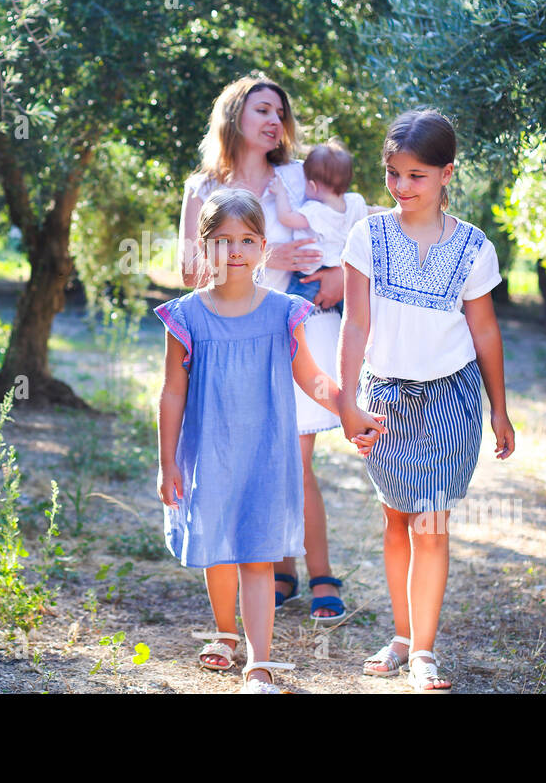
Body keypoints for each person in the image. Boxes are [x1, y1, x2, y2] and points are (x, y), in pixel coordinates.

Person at [157, 189, 383, 693]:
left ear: (262, 247)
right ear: (203, 246)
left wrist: (350, 409)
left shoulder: (284, 312)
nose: (233, 251)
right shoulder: (186, 317)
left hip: (266, 455)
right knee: (217, 551)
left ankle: (259, 664)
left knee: (257, 555)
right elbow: (172, 393)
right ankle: (223, 633)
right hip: (208, 455)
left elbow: (313, 379)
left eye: (245, 240)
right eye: (220, 241)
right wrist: (166, 462)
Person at [337, 109, 515, 693]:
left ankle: (423, 651)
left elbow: (485, 331)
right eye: (392, 174)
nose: (401, 187)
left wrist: (500, 408)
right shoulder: (367, 236)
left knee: (431, 526)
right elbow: (354, 324)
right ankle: (400, 633)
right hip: (384, 397)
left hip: (451, 400)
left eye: (416, 175)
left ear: (446, 174)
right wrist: (346, 403)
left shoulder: (473, 247)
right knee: (396, 520)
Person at [177, 74, 354, 623]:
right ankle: (277, 570)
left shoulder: (301, 178)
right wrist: (264, 257)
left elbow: (351, 241)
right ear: (234, 117)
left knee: (294, 464)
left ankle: (320, 570)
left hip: (297, 335)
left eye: (280, 111)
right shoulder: (202, 189)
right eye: (261, 109)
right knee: (251, 463)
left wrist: (337, 284)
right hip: (231, 343)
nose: (274, 120)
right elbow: (187, 269)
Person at [268, 140, 368, 317]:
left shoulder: (316, 211)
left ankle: (289, 341)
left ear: (312, 186)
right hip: (343, 275)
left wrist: (280, 193)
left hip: (313, 274)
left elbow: (287, 218)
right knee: (353, 315)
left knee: (291, 315)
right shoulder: (355, 202)